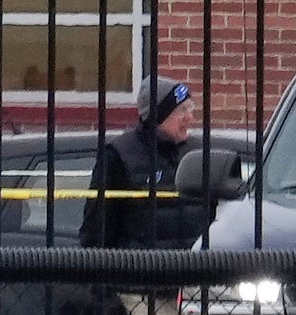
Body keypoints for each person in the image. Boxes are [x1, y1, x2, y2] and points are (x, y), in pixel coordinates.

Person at [84, 79, 213, 252]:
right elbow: (97, 228)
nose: (190, 116)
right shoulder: (120, 155)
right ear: (159, 116)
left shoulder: (200, 152)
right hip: (142, 270)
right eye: (182, 110)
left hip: (196, 270)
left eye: (190, 107)